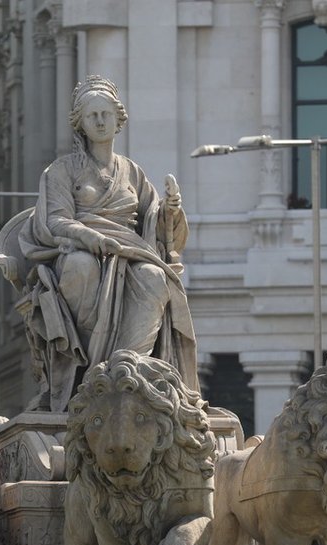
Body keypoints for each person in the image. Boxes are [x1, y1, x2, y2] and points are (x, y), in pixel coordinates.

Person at [13, 75, 198, 411]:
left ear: (118, 119)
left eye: (105, 114)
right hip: (80, 250)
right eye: (92, 115)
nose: (100, 121)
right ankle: (89, 373)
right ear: (80, 124)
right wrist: (90, 237)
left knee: (155, 277)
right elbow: (56, 220)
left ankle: (130, 372)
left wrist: (170, 210)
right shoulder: (61, 170)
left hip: (129, 251)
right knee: (82, 267)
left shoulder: (132, 172)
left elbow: (153, 221)